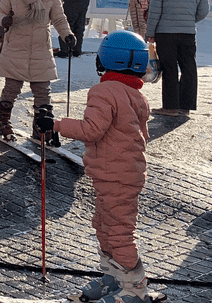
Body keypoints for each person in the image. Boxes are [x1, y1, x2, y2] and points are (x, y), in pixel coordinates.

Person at [41, 31, 154, 303]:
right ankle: (114, 277)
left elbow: (92, 130)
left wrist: (56, 125)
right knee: (104, 225)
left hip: (118, 175)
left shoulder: (104, 91)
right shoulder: (135, 93)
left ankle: (135, 288)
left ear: (106, 59)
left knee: (118, 230)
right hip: (118, 172)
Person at [0, 0, 75, 142]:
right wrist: (4, 20)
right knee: (12, 87)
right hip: (16, 47)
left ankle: (41, 127)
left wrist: (66, 34)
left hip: (40, 48)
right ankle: (0, 121)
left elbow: (59, 18)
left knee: (42, 90)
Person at [145, 0, 209, 117]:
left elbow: (154, 13)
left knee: (169, 68)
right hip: (187, 34)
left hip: (165, 34)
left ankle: (170, 107)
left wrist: (150, 33)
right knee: (188, 68)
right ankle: (186, 106)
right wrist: (189, 20)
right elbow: (204, 11)